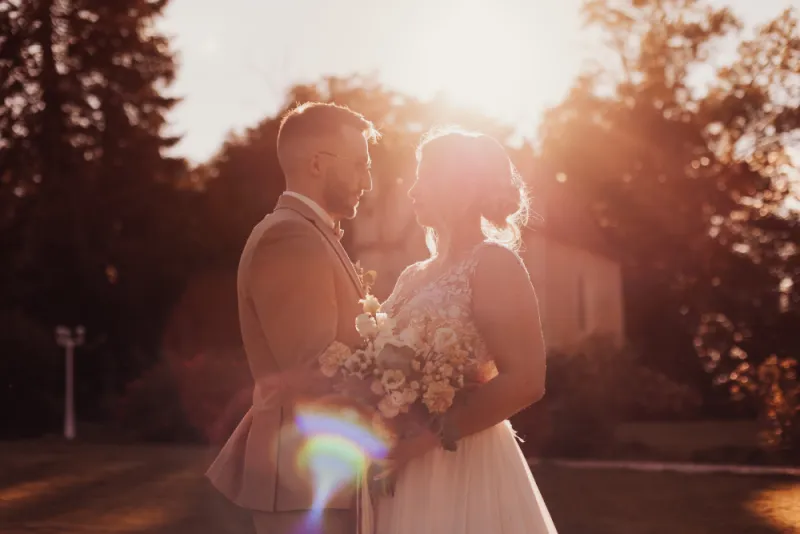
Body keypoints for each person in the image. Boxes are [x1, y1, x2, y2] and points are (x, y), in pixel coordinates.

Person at [206, 101, 380, 534]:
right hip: (302, 480)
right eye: (360, 165)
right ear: (318, 164)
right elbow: (316, 367)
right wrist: (405, 386)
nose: (368, 181)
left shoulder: (312, 233)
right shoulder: (291, 236)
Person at [374, 129, 557, 534]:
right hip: (400, 465)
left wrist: (420, 441)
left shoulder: (494, 264)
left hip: (462, 462)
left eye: (426, 176)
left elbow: (526, 380)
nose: (413, 190)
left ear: (466, 185)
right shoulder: (411, 276)